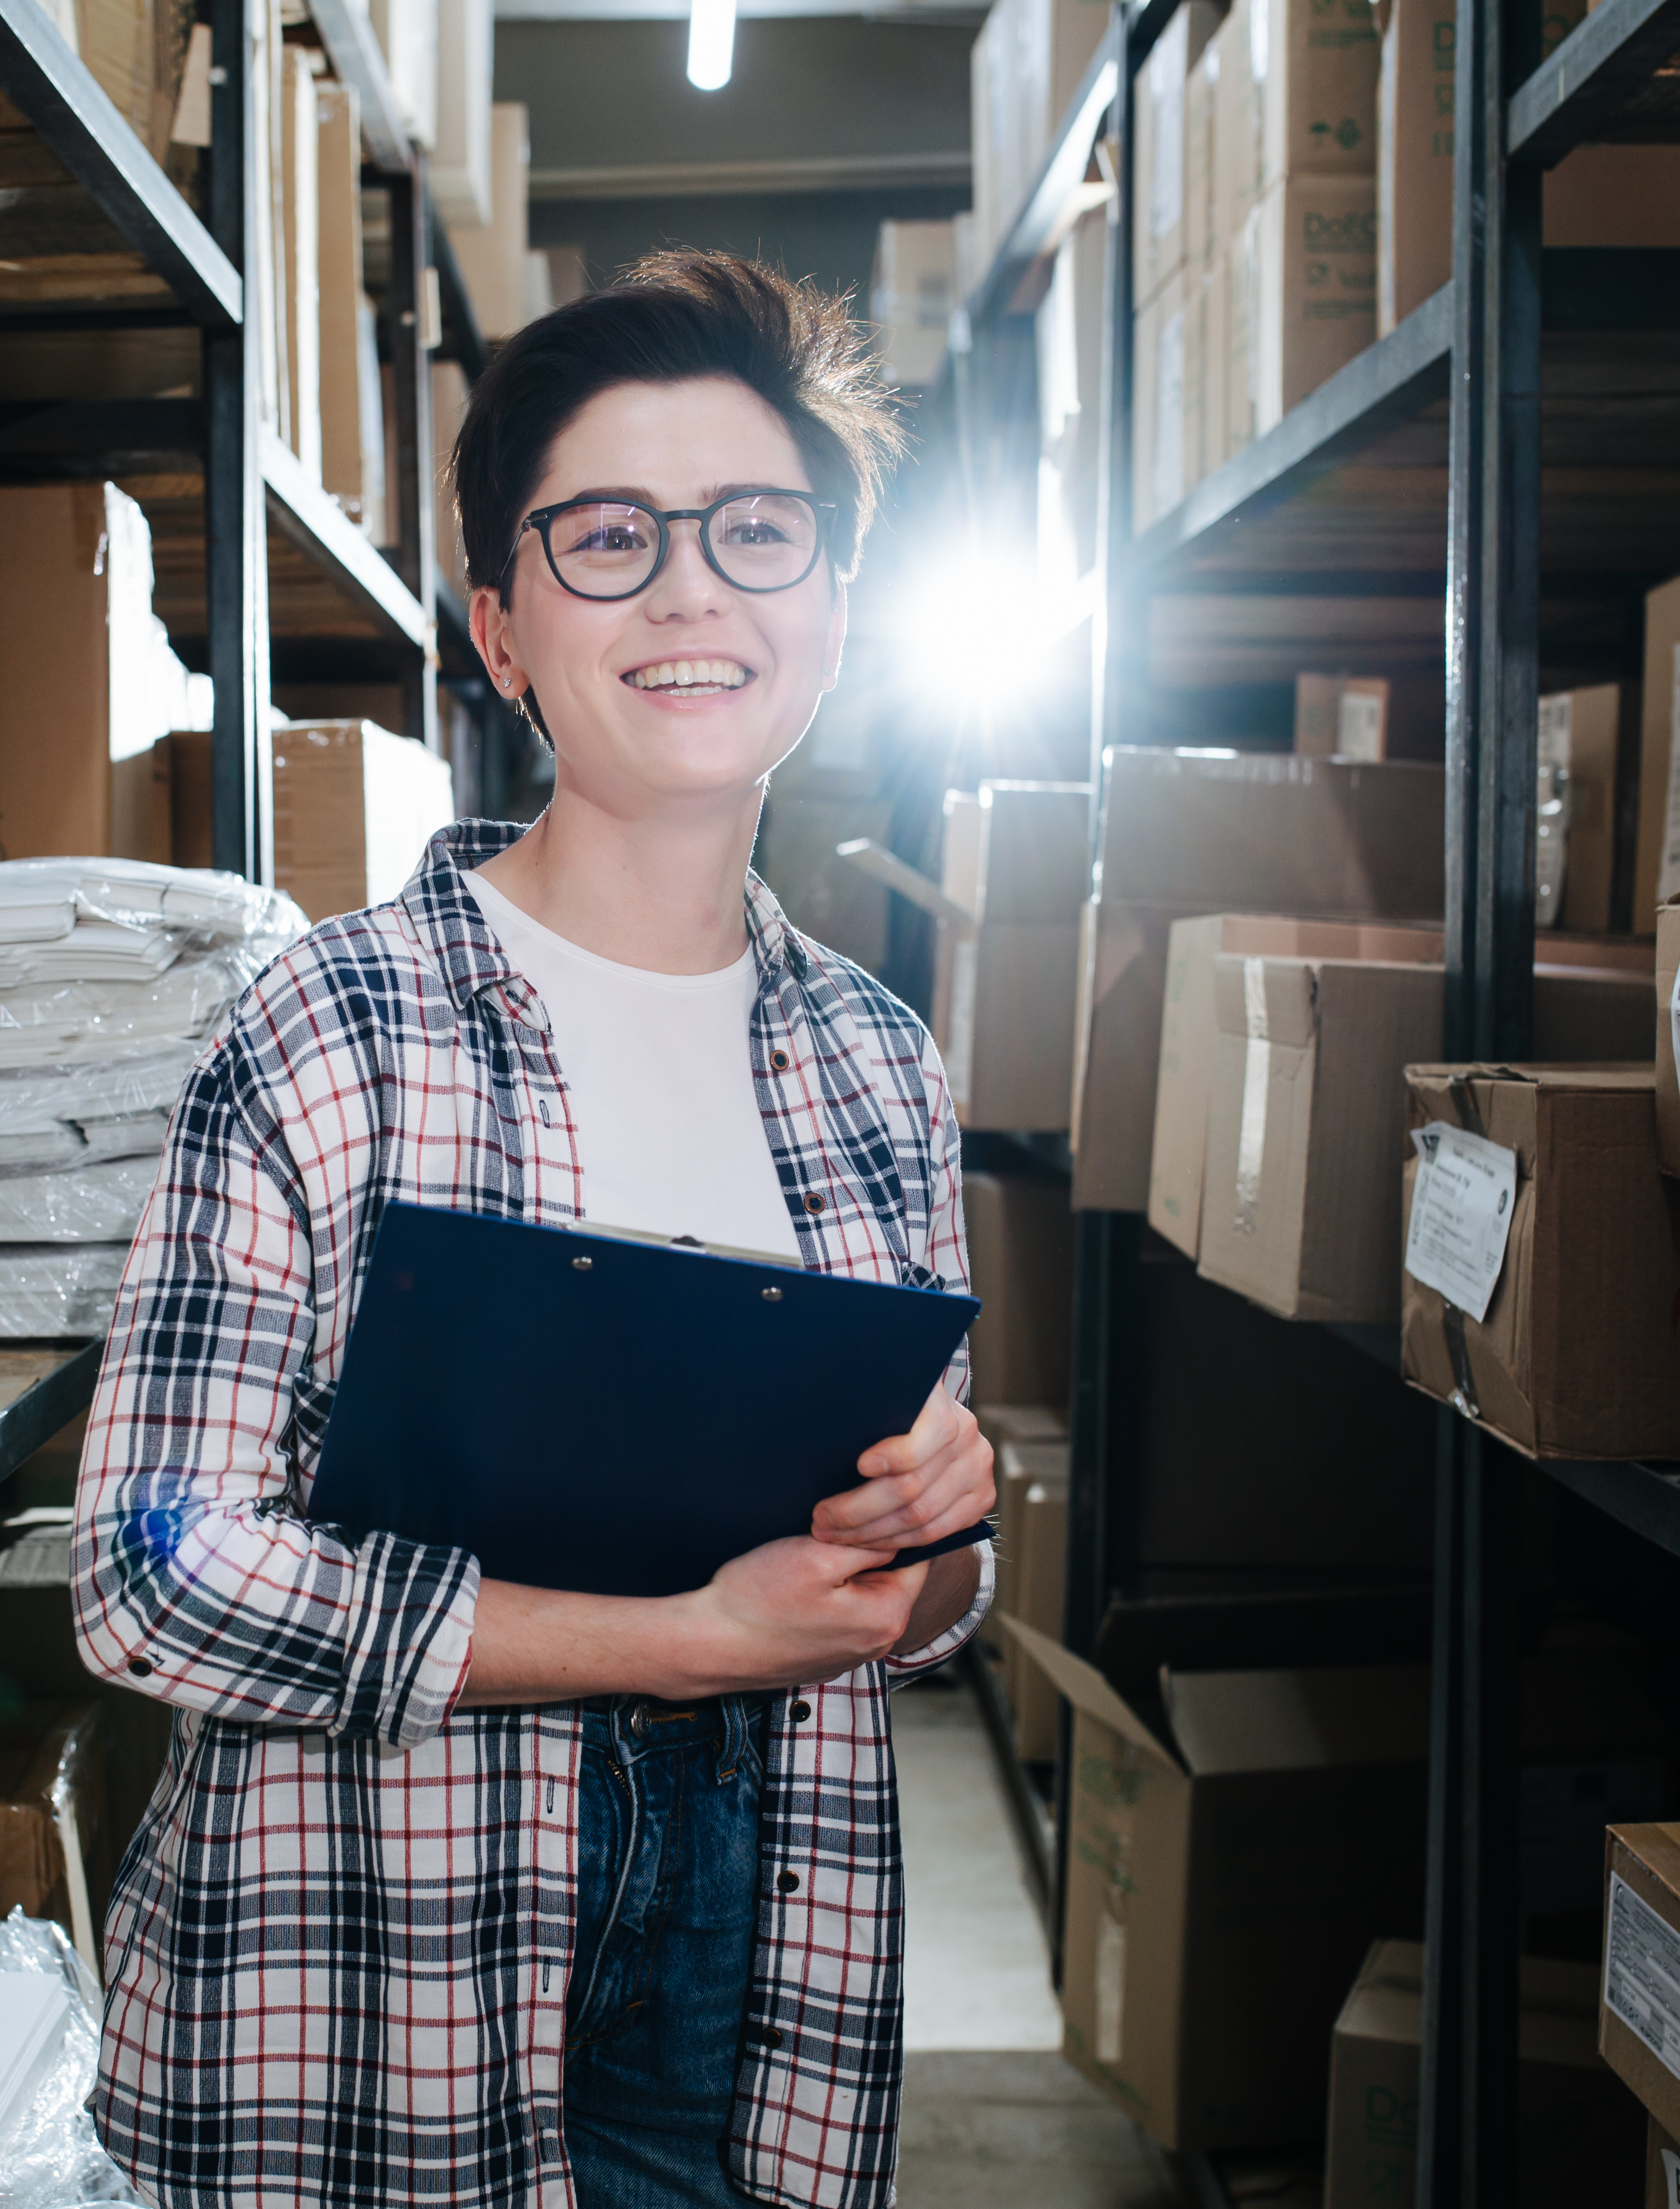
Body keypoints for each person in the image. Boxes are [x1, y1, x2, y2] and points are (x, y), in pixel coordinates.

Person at [71, 249, 996, 2209]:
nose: (690, 590)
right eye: (607, 539)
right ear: (500, 630)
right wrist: (676, 1641)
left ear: (834, 611)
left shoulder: (879, 1067)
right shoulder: (331, 1021)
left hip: (764, 1956)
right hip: (385, 1968)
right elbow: (151, 1573)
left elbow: (918, 1612)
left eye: (758, 532)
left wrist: (934, 1541)